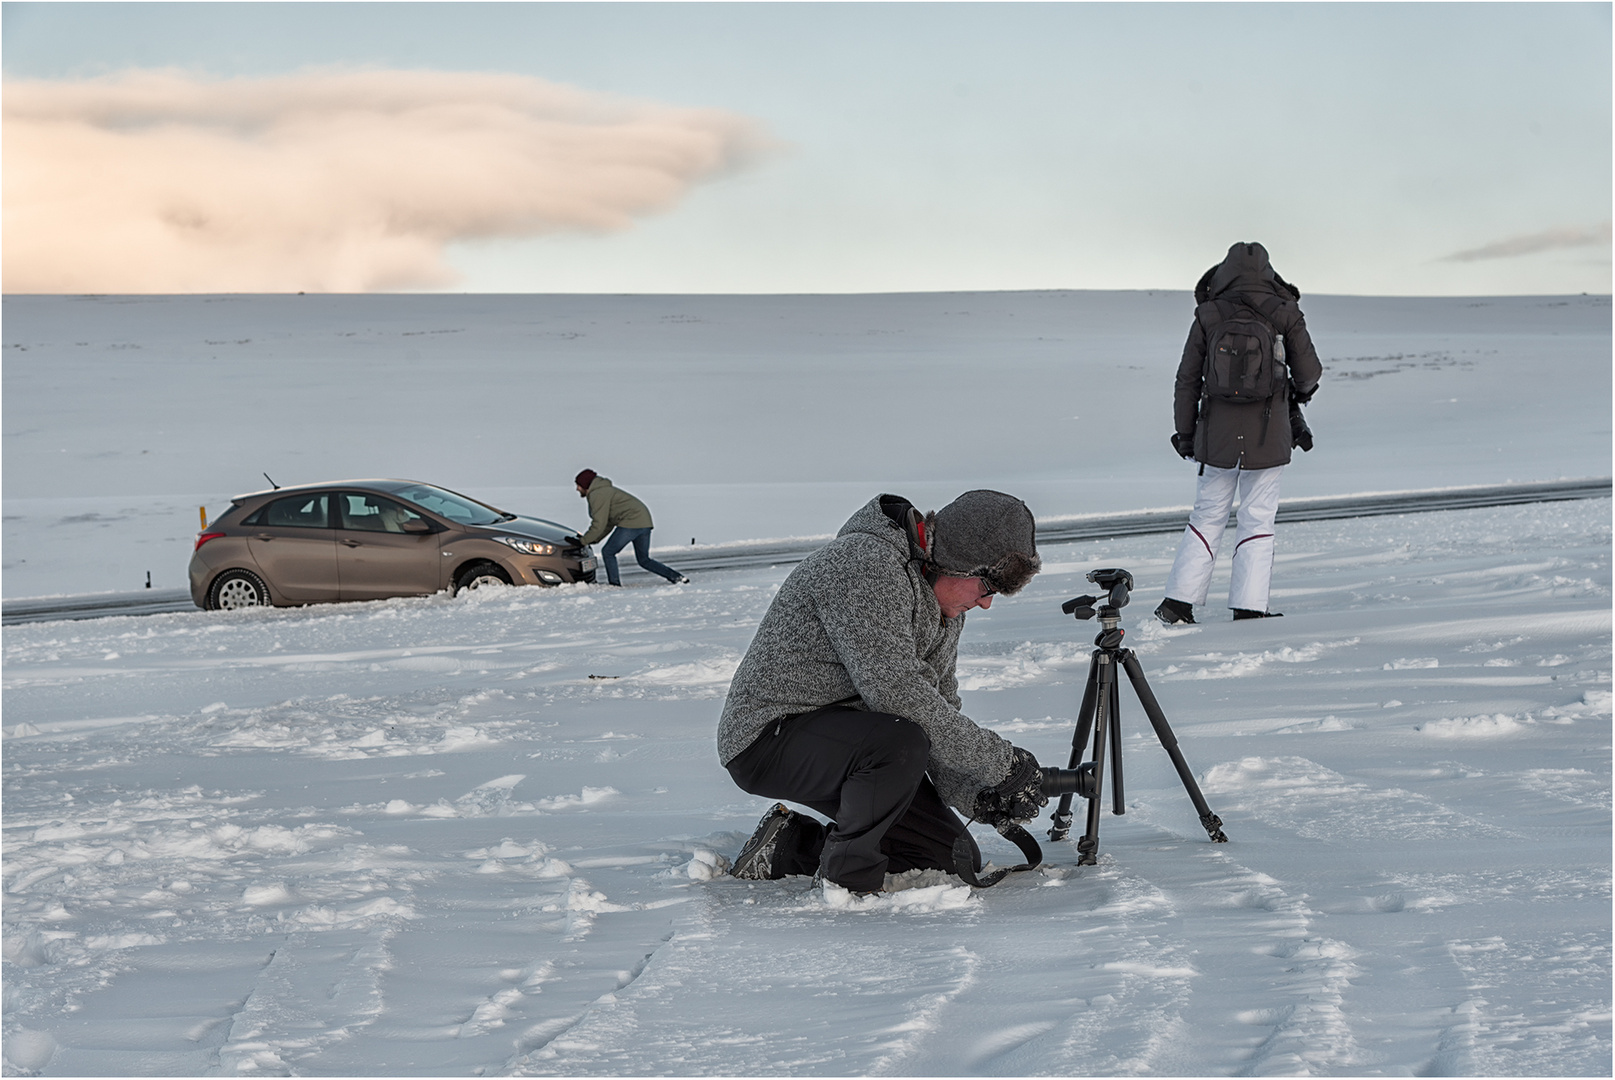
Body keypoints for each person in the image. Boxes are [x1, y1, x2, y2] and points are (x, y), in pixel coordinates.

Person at [716, 490, 1049, 896]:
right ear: (956, 561)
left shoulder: (942, 608)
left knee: (948, 855)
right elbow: (897, 694)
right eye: (986, 587)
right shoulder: (865, 564)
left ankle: (788, 848)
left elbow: (938, 708)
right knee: (899, 739)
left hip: (854, 740)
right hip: (769, 736)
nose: (986, 604)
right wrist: (1002, 764)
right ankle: (847, 885)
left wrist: (978, 791)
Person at [1156, 242, 1323, 625]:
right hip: (1270, 434)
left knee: (1207, 515)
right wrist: (1297, 394)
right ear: (1268, 272)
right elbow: (1311, 372)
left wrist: (1185, 434)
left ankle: (1178, 603)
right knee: (1257, 517)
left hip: (1216, 436)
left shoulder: (1208, 314)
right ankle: (1249, 607)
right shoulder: (1285, 312)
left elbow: (1187, 380)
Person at [574, 469, 689, 586]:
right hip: (644, 522)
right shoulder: (604, 491)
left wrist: (583, 541)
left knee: (608, 552)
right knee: (644, 560)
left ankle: (614, 584)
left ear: (585, 485)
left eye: (578, 485)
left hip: (631, 522)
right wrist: (594, 539)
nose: (577, 488)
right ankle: (677, 577)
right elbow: (608, 523)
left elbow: (599, 523)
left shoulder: (598, 494)